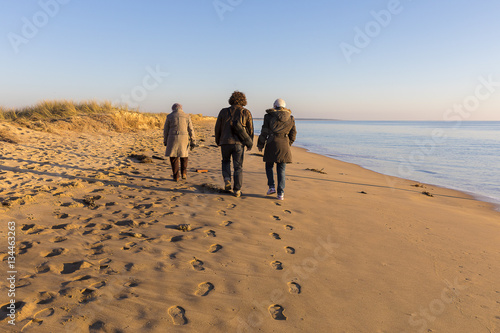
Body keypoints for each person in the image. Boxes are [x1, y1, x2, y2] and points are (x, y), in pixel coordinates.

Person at [215, 91, 254, 197]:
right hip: (238, 143)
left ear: (231, 100)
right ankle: (237, 190)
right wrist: (249, 142)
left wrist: (218, 140)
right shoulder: (246, 112)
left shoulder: (223, 111)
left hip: (225, 142)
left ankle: (227, 180)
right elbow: (250, 130)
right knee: (238, 167)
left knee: (226, 161)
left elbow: (217, 127)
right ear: (243, 100)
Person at [257, 98, 297, 200]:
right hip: (284, 144)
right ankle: (281, 193)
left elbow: (264, 131)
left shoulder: (268, 116)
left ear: (274, 106)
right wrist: (289, 143)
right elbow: (293, 133)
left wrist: (260, 144)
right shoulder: (291, 118)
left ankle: (271, 187)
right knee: (281, 169)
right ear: (284, 107)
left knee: (269, 166)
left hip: (271, 143)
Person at [163, 103, 196, 181]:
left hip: (172, 138)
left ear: (173, 109)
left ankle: (176, 176)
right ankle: (184, 173)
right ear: (181, 108)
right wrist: (193, 140)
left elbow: (166, 130)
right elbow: (191, 129)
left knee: (173, 157)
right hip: (184, 138)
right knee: (184, 156)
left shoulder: (169, 116)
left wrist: (165, 141)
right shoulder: (187, 116)